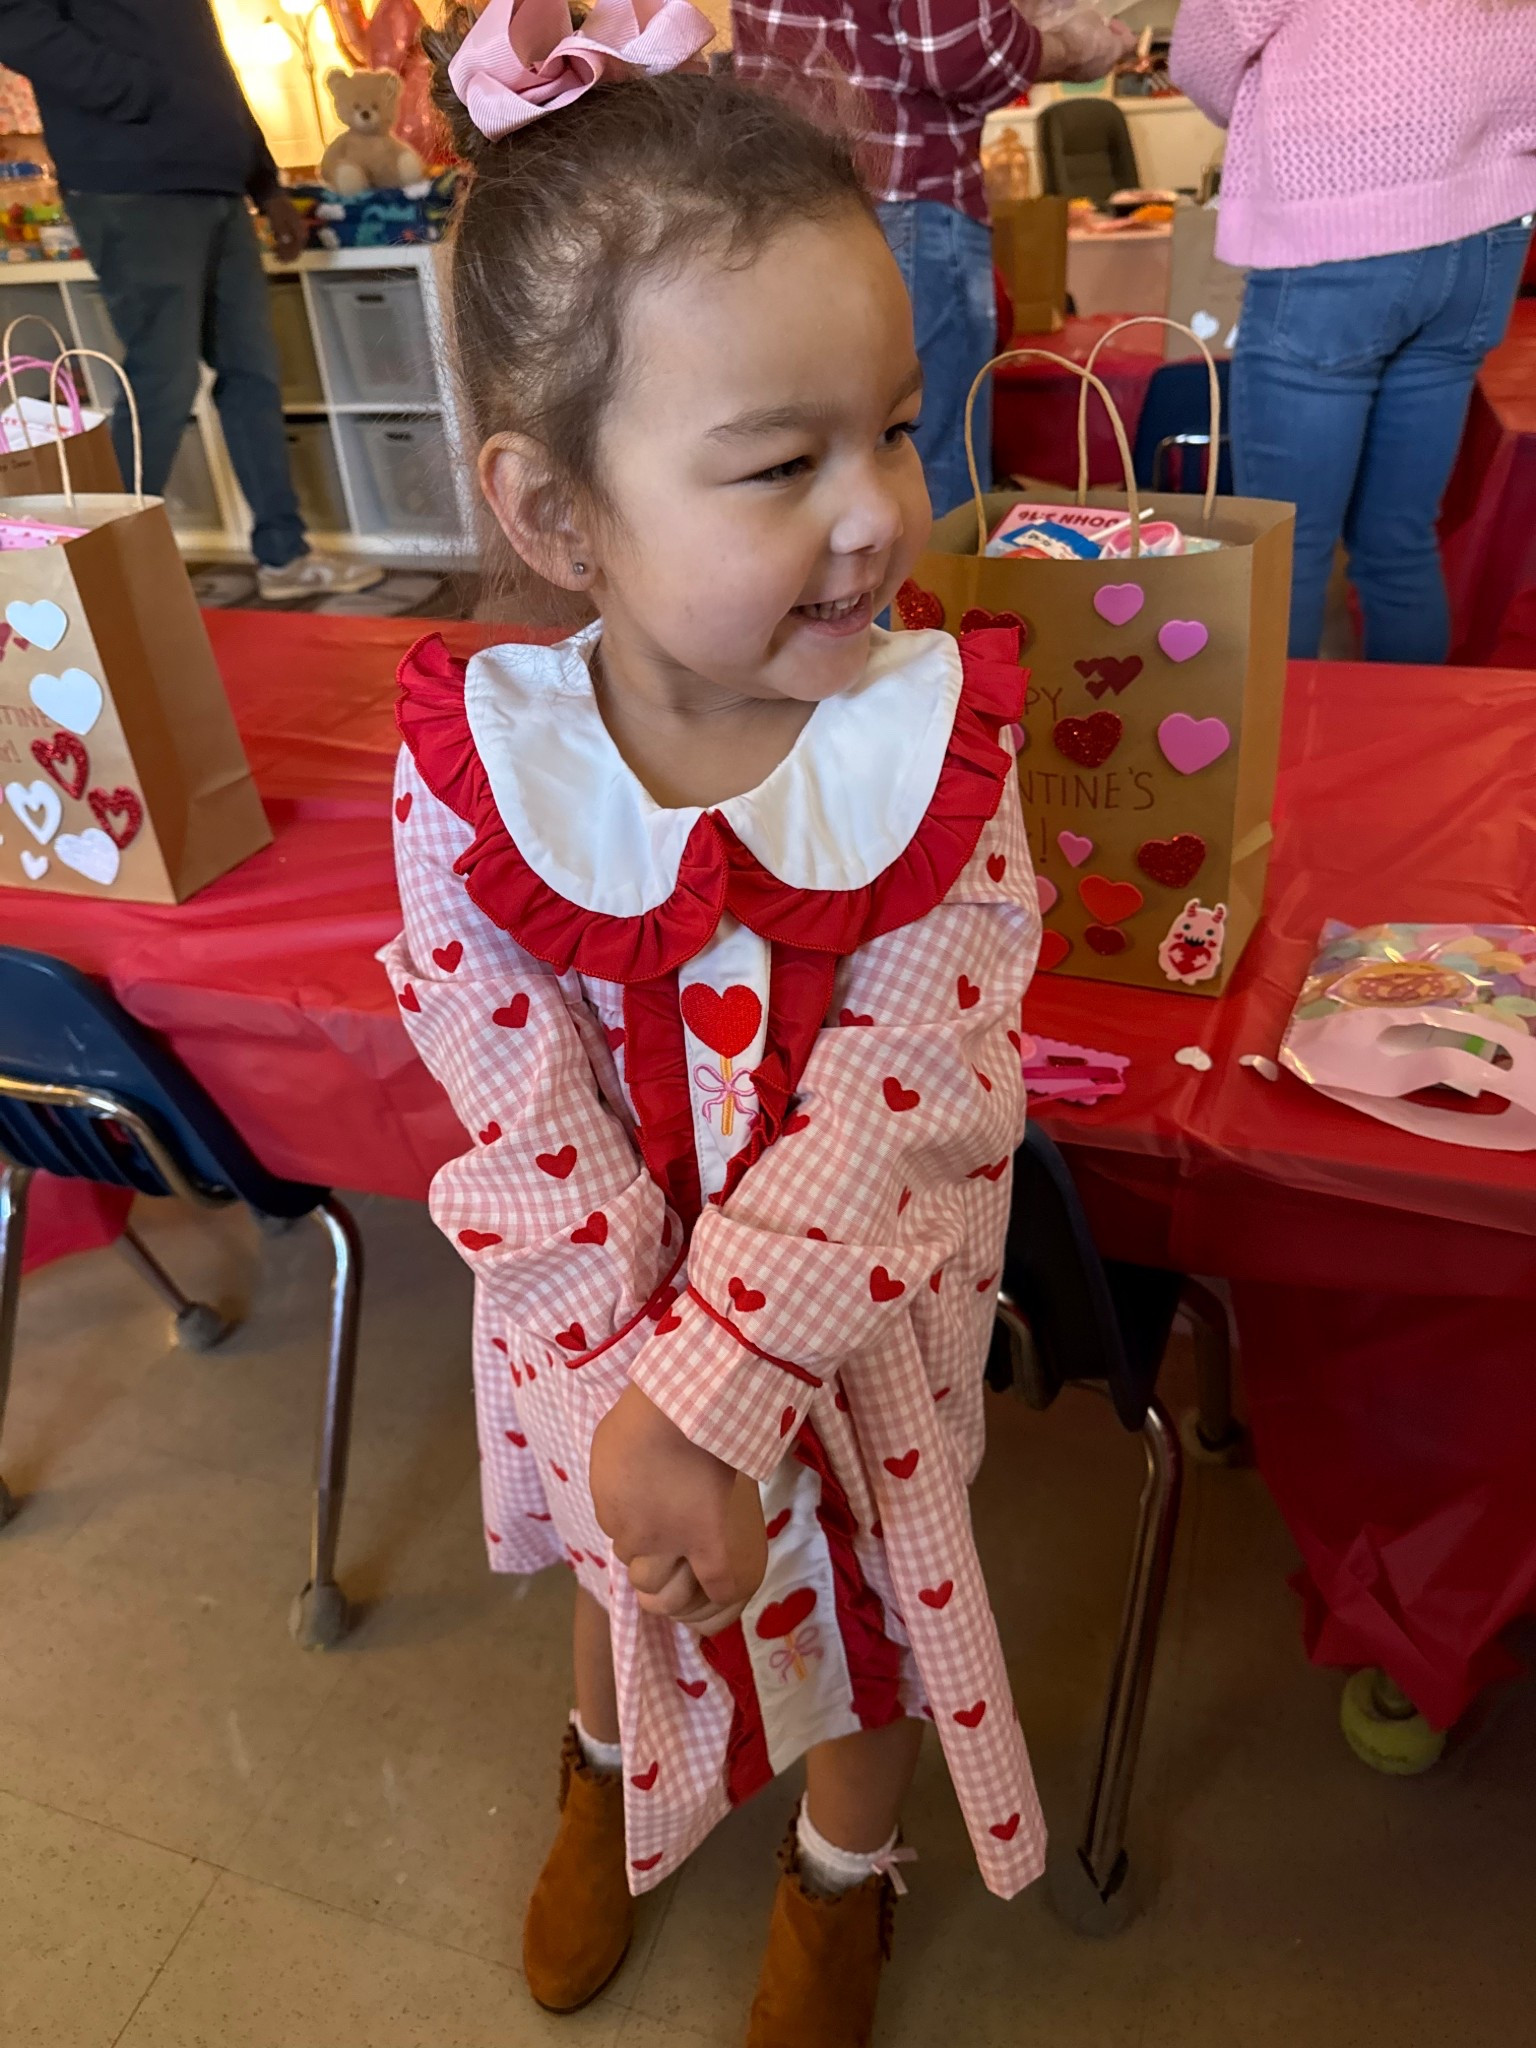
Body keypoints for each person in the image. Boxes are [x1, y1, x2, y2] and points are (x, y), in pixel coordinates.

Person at [383, 2, 1046, 2040]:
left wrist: (729, 1383)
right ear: (559, 513)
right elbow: (509, 1093)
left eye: (898, 430)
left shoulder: (933, 740)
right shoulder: (482, 775)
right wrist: (641, 1417)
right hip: (600, 1338)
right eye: (781, 463)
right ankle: (606, 1778)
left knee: (867, 1608)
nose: (873, 513)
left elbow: (923, 1075)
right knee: (632, 1581)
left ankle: (848, 1872)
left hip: (862, 1314)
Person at [1171, 0, 1536, 662]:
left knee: (1289, 550)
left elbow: (1202, 53)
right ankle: (1410, 756)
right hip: (1488, 229)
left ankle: (1282, 766)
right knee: (1400, 540)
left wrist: (1272, 103)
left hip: (1340, 215)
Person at [0, 0, 383, 600]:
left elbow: (210, 62)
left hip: (217, 185)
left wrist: (264, 180)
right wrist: (139, 94)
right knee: (163, 380)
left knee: (253, 373)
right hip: (130, 184)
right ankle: (101, 575)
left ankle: (284, 556)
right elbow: (18, 24)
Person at [732, 0, 1135, 516]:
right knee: (927, 467)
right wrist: (1080, 47)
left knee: (815, 461)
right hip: (903, 194)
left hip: (781, 190)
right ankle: (921, 599)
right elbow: (959, 49)